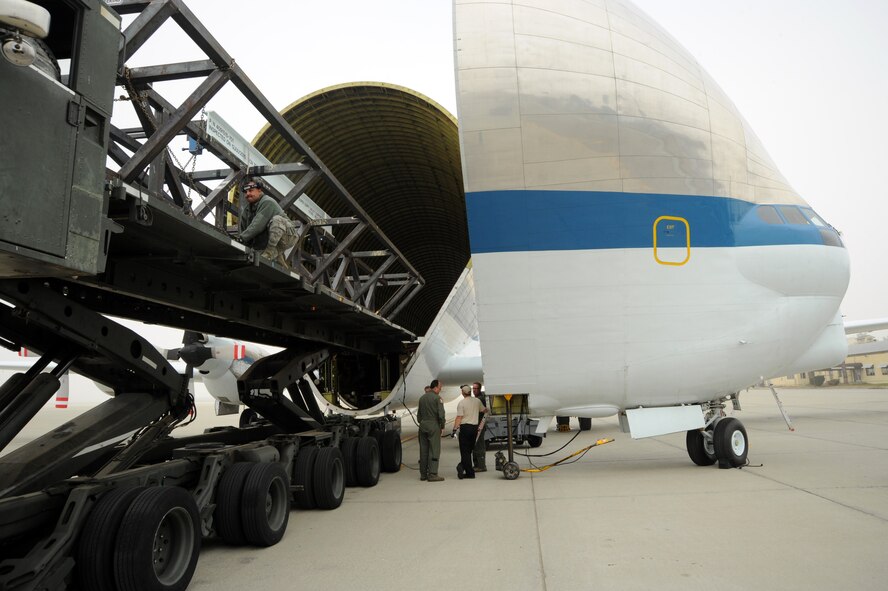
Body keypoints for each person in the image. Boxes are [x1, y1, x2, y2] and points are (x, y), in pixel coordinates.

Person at [237, 178, 300, 267]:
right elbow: (246, 232)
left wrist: (240, 238)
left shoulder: (267, 202)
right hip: (270, 239)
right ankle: (277, 256)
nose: (247, 194)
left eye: (251, 191)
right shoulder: (246, 211)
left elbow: (257, 226)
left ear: (259, 190)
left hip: (288, 235)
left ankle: (269, 253)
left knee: (277, 220)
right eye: (245, 192)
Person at [453, 383, 484, 479]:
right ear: (470, 392)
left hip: (465, 428)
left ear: (463, 393)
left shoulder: (461, 403)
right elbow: (484, 410)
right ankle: (463, 466)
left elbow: (459, 417)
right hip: (474, 429)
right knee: (469, 450)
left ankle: (469, 472)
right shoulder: (477, 401)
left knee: (465, 451)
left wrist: (454, 429)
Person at [417, 379, 446, 482]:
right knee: (434, 450)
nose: (440, 389)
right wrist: (442, 426)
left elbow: (419, 416)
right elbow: (441, 415)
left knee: (423, 450)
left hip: (423, 425)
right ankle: (433, 474)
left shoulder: (422, 398)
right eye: (440, 387)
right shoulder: (437, 398)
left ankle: (423, 474)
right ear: (436, 387)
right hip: (433, 425)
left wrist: (423, 423)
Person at [471, 382, 488, 472]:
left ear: (480, 389)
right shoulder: (477, 398)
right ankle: (477, 465)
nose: (474, 390)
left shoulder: (480, 399)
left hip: (480, 425)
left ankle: (481, 466)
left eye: (476, 388)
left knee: (479, 445)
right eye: (473, 388)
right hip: (477, 425)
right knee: (476, 445)